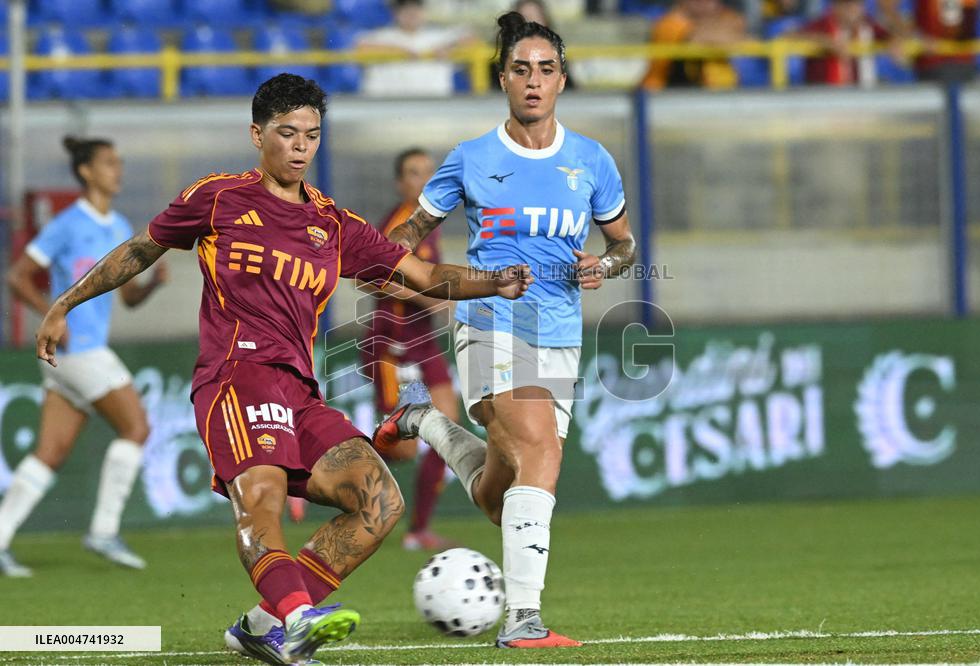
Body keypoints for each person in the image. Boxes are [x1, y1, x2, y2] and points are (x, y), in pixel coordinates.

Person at [34, 73, 532, 666]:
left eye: (312, 135)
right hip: (234, 377)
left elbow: (423, 276)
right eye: (287, 132)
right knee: (262, 499)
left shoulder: (333, 224)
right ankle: (297, 618)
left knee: (378, 502)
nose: (301, 146)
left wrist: (493, 282)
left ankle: (262, 626)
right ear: (257, 134)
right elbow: (140, 249)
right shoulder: (218, 198)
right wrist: (65, 303)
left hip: (299, 390)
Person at [374, 12, 636, 648]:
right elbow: (404, 237)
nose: (534, 81)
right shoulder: (472, 158)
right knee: (541, 451)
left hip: (561, 333)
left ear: (563, 81)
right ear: (503, 79)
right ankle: (523, 620)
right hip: (490, 323)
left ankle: (425, 422)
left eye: (546, 69)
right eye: (522, 69)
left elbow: (626, 245)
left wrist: (602, 264)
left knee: (504, 496)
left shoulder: (592, 161)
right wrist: (395, 268)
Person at [0, 136, 167, 578]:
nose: (118, 170)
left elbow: (128, 297)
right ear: (86, 172)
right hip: (79, 350)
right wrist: (53, 315)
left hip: (75, 357)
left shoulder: (119, 226)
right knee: (137, 426)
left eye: (119, 162)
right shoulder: (67, 224)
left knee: (50, 453)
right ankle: (104, 530)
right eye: (109, 163)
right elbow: (17, 277)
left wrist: (151, 285)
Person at [360, 147, 461, 552]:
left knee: (448, 432)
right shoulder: (399, 222)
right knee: (402, 448)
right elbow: (368, 277)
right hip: (395, 342)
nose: (424, 180)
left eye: (429, 172)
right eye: (414, 173)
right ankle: (333, 462)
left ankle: (418, 530)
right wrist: (428, 298)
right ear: (401, 182)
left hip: (425, 343)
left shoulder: (428, 224)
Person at [356, 0, 476, 97]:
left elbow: (471, 39)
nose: (412, 13)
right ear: (395, 13)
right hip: (388, 111)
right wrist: (401, 51)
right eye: (405, 9)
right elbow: (361, 47)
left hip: (434, 111)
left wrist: (449, 48)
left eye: (416, 8)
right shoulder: (382, 36)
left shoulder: (438, 36)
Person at [639, 0, 747, 89]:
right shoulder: (668, 24)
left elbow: (738, 28)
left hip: (713, 99)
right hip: (661, 96)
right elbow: (696, 38)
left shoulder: (722, 18)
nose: (710, 3)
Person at [796, 0, 899, 86]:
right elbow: (792, 34)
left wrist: (894, 43)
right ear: (835, 7)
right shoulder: (823, 26)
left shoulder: (868, 24)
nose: (853, 10)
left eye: (857, 4)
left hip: (863, 94)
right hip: (826, 96)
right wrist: (827, 42)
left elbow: (890, 35)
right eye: (847, 5)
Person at [491, 0, 576, 90]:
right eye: (525, 19)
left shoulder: (557, 56)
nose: (530, 26)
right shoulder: (497, 60)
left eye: (535, 20)